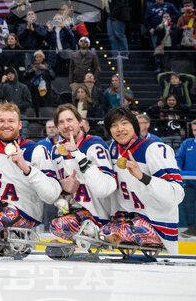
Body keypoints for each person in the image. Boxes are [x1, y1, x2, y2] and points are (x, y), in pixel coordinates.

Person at [0, 103, 62, 239]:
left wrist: (26, 168)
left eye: (11, 121)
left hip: (23, 211)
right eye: (1, 121)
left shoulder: (35, 150)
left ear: (20, 125)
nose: (6, 125)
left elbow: (51, 195)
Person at [105, 106, 184, 253]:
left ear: (134, 125)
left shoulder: (155, 149)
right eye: (113, 125)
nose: (119, 129)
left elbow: (177, 194)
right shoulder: (113, 150)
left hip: (155, 226)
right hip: (126, 220)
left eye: (124, 123)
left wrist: (143, 177)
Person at [47, 104, 117, 241]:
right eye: (61, 122)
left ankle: (100, 231)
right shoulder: (55, 151)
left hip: (99, 212)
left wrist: (77, 154)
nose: (66, 125)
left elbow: (106, 186)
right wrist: (62, 185)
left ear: (80, 122)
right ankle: (89, 234)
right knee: (56, 226)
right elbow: (53, 187)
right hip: (74, 211)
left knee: (61, 225)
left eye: (70, 120)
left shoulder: (94, 144)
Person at [175, 120, 196, 236]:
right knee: (188, 206)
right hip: (189, 182)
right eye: (194, 130)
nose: (195, 132)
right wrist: (177, 166)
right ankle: (192, 228)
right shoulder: (187, 143)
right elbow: (178, 157)